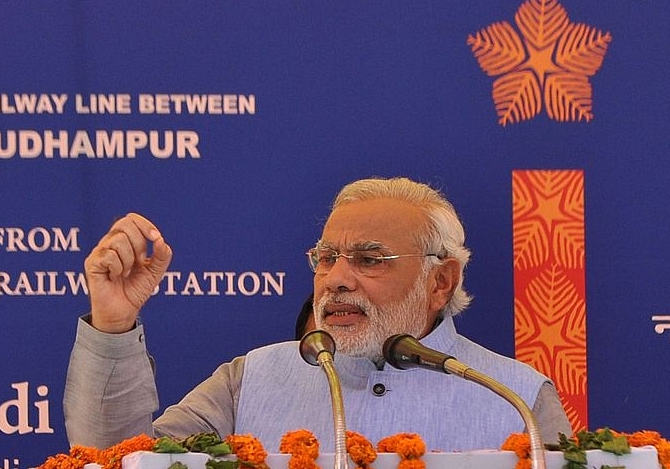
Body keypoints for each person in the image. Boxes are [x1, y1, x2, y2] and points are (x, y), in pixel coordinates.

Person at [64, 177, 572, 452]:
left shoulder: (517, 398)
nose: (336, 279)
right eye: (326, 258)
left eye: (369, 260)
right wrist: (113, 323)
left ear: (442, 281)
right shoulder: (253, 378)